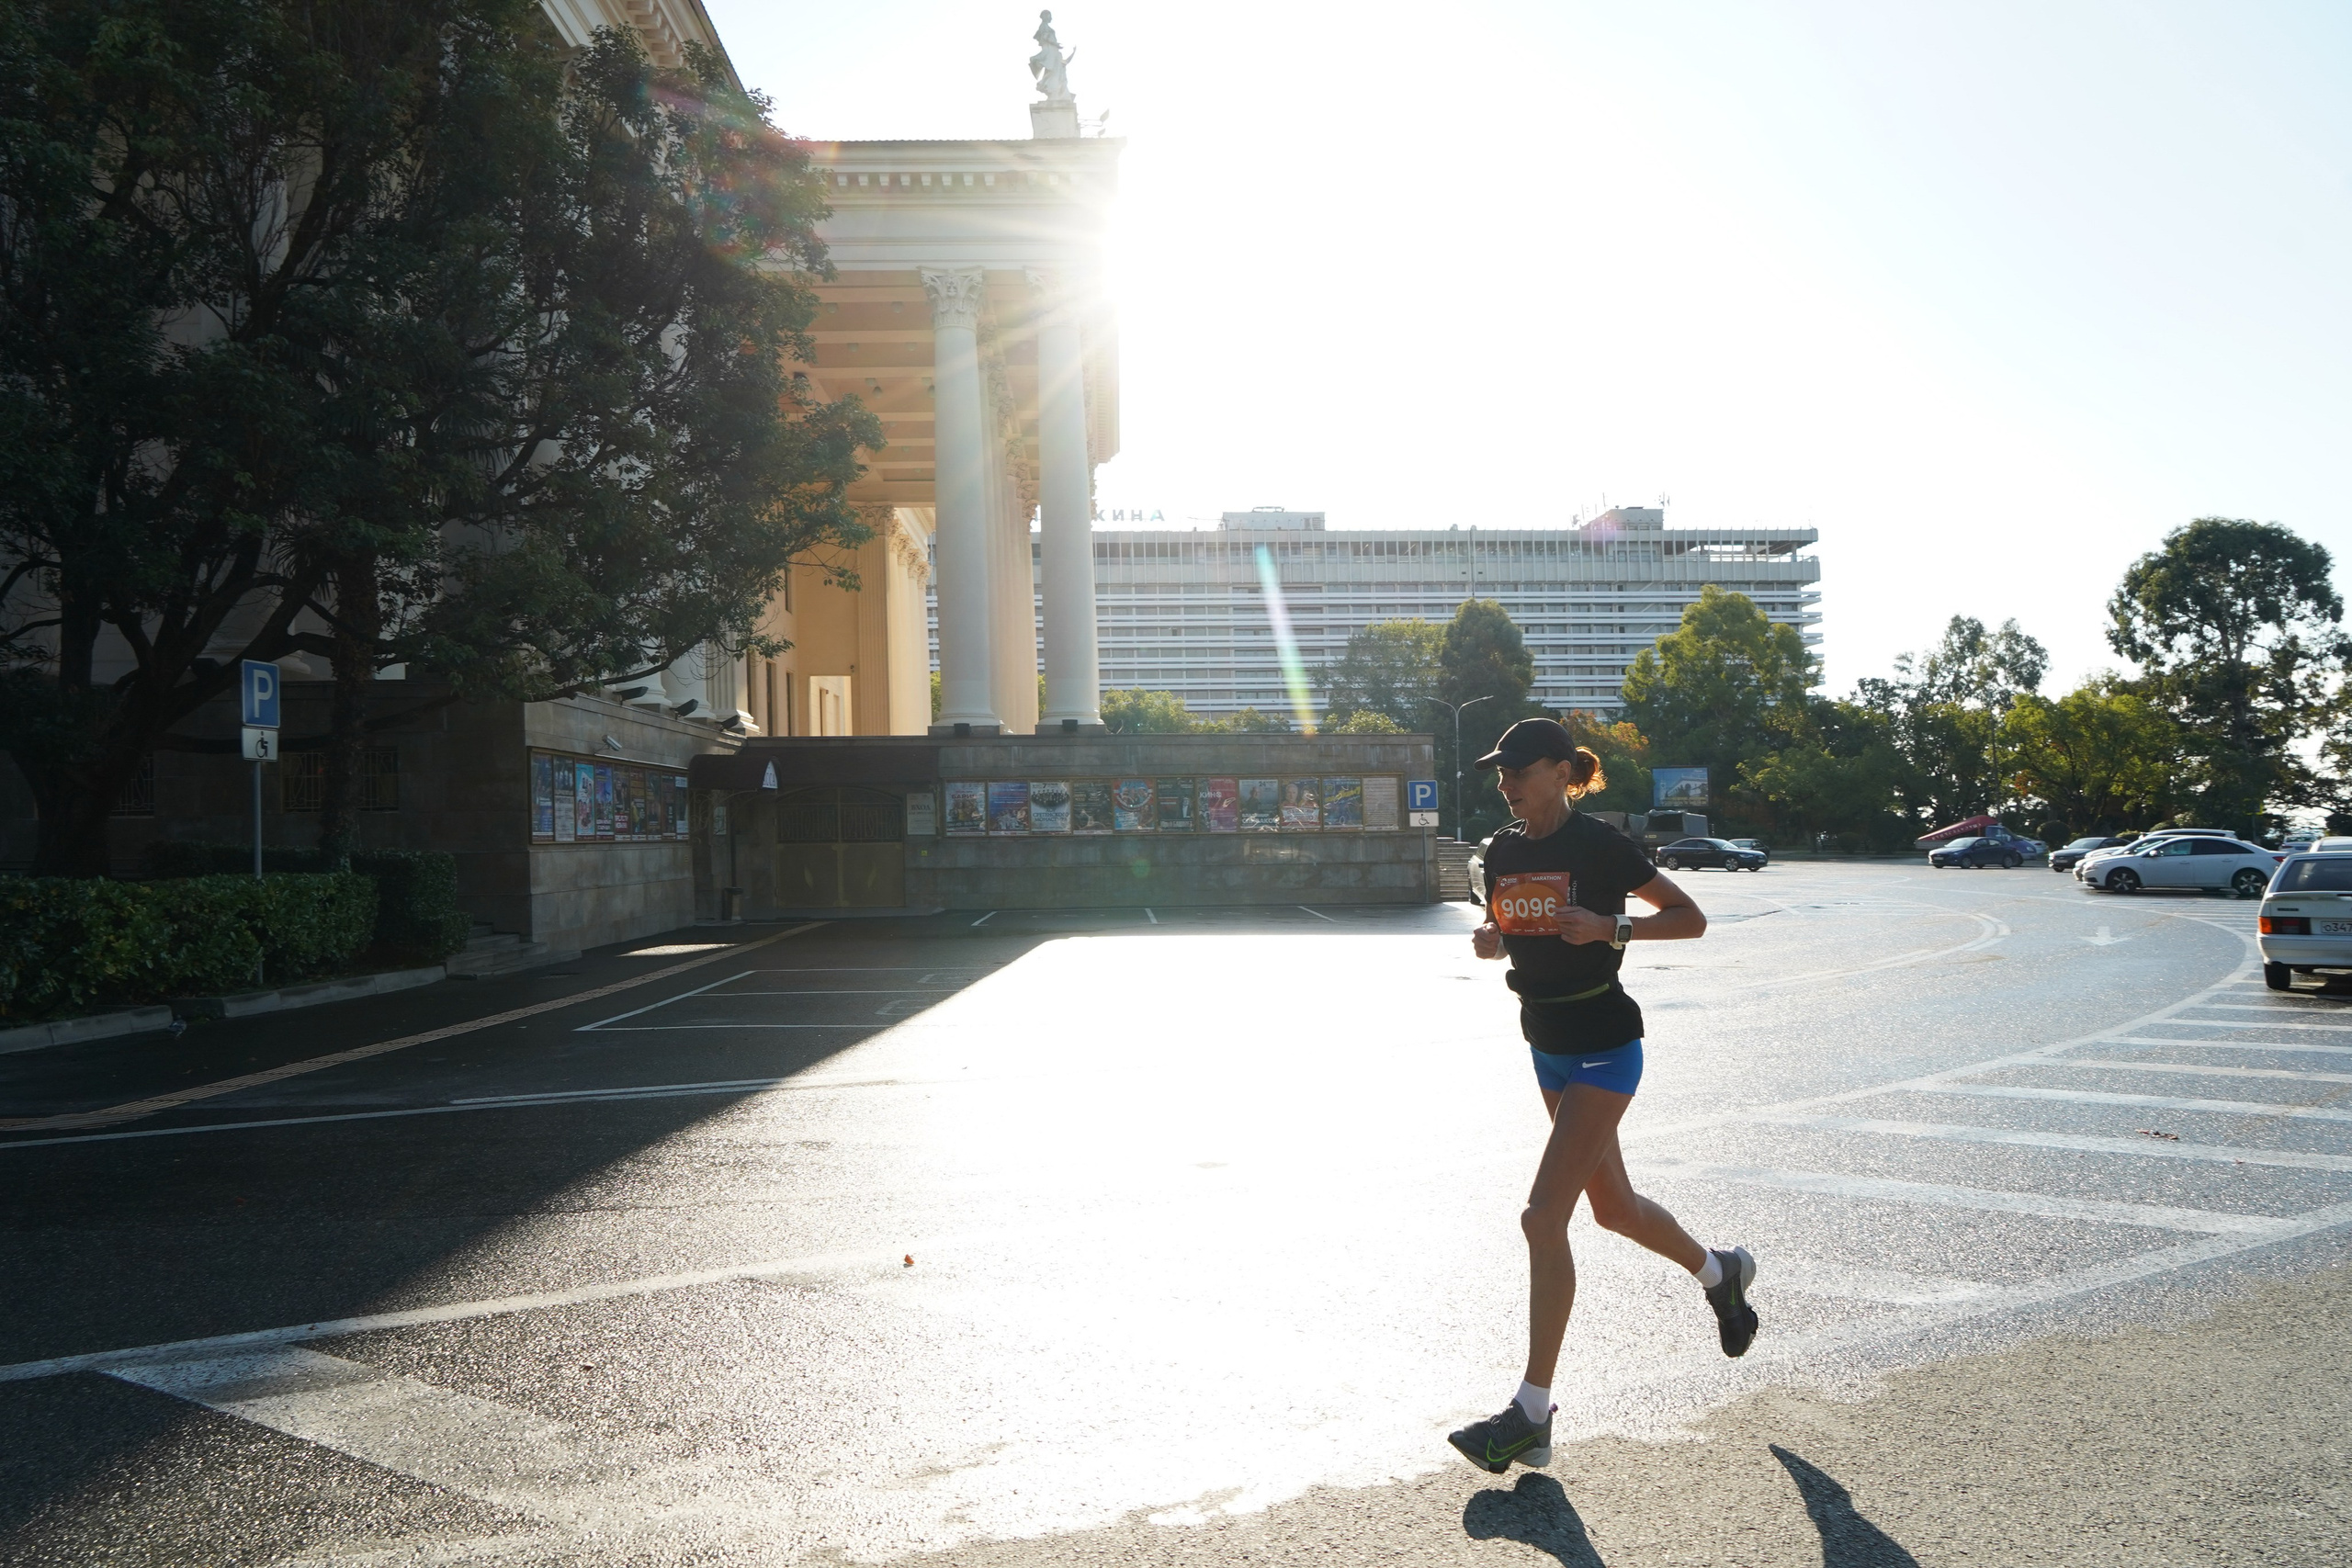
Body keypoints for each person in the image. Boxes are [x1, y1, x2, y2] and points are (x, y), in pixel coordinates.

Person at [1446, 717, 1758, 1476]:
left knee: (1541, 1215)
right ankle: (1722, 1273)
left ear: (1560, 771)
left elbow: (1691, 918)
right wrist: (1491, 937)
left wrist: (1611, 925)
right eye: (1501, 770)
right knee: (1613, 1208)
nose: (1507, 781)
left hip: (1605, 1046)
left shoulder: (1601, 846)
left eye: (1520, 768)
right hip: (1546, 1045)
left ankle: (1530, 1411)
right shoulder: (1505, 849)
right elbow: (1506, 923)